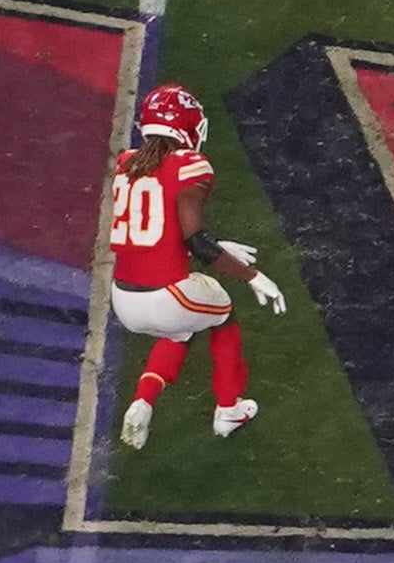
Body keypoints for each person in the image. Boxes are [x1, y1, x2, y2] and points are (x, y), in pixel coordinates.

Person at [109, 84, 286, 449]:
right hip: (166, 295)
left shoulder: (126, 163)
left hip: (123, 297)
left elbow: (157, 233)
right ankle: (229, 408)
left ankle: (143, 401)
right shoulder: (190, 165)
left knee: (181, 329)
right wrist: (253, 276)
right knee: (222, 315)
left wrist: (216, 246)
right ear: (186, 127)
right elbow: (196, 241)